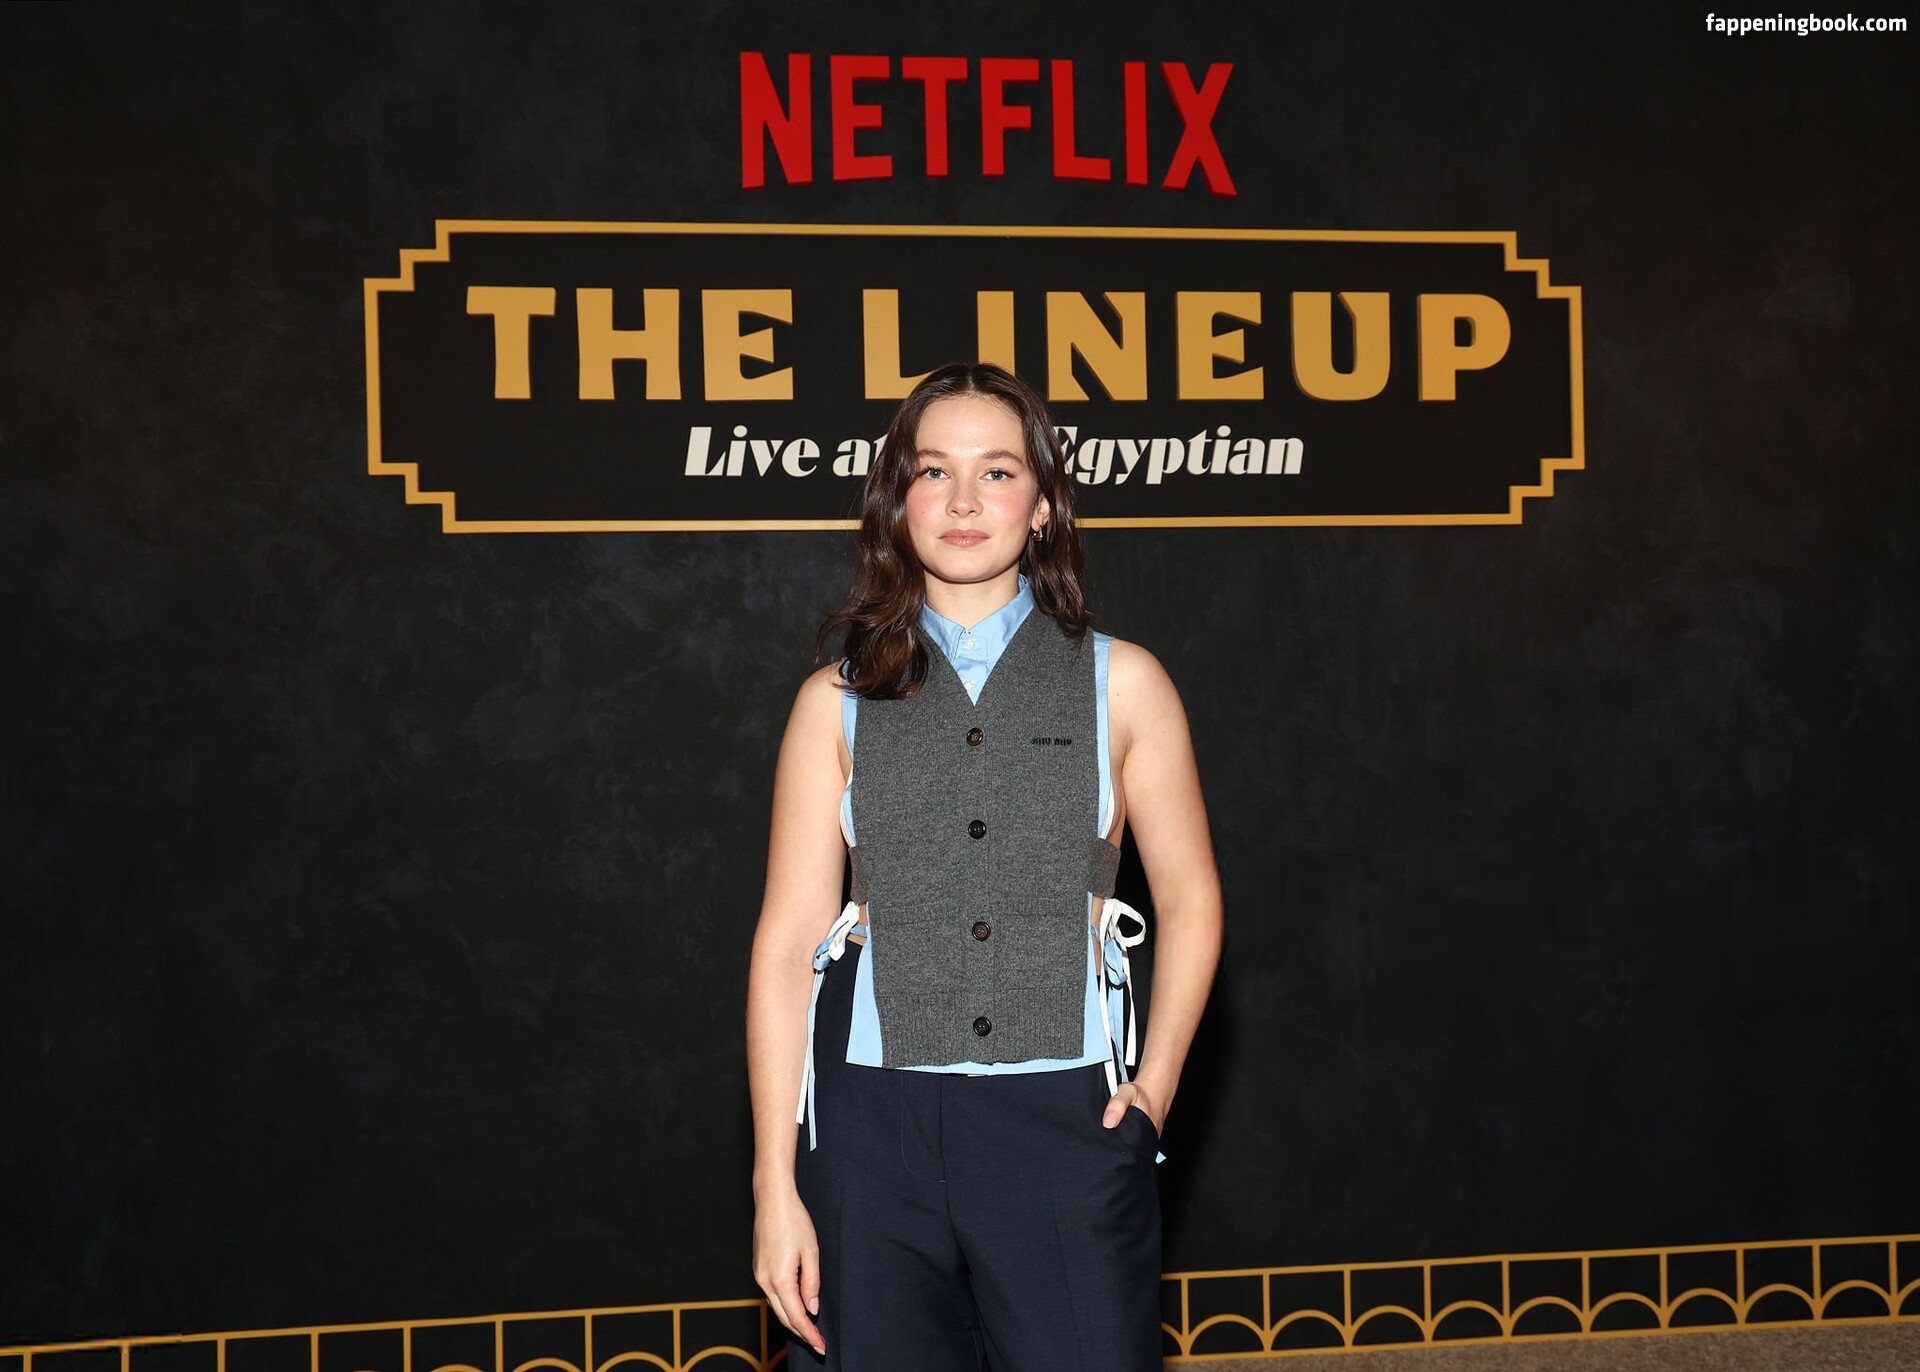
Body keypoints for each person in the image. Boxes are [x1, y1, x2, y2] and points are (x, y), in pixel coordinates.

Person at [746, 362, 1223, 1370]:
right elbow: (788, 945)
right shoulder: (832, 701)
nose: (964, 500)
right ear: (898, 500)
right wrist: (774, 1183)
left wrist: (1153, 1093)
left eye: (998, 472)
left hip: (1064, 1128)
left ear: (1042, 504)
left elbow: (1190, 900)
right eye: (934, 471)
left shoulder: (1125, 683)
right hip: (870, 1138)